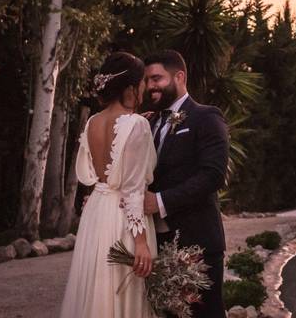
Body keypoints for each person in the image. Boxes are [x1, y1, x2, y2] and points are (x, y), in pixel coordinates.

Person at [60, 52, 157, 318]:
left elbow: (96, 174)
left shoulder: (93, 121)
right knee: (122, 288)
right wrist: (140, 243)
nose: (145, 89)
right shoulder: (136, 124)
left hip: (97, 213)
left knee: (95, 287)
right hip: (122, 219)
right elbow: (133, 189)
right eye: (142, 83)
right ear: (130, 88)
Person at [143, 50, 229, 318]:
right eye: (147, 80)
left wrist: (159, 201)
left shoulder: (206, 117)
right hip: (158, 242)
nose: (150, 86)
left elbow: (213, 175)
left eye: (157, 78)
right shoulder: (149, 122)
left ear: (179, 77)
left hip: (197, 241)